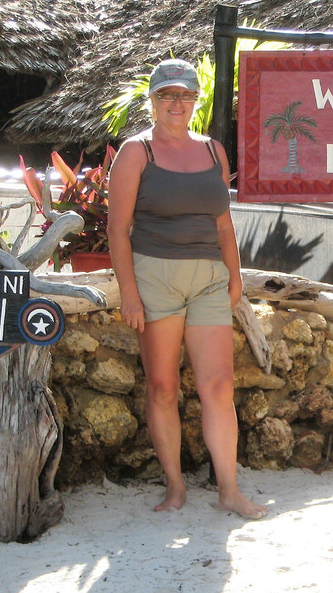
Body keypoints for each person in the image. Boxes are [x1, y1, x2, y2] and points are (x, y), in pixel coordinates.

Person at [107, 58, 268, 520]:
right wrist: (130, 293)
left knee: (218, 385)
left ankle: (230, 491)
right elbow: (118, 230)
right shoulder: (137, 152)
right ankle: (175, 486)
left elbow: (223, 223)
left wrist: (235, 277)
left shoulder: (215, 151)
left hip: (209, 279)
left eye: (184, 95)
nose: (176, 103)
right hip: (155, 274)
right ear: (153, 100)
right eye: (166, 94)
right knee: (162, 387)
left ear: (194, 101)